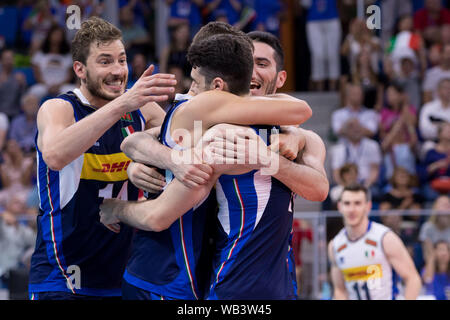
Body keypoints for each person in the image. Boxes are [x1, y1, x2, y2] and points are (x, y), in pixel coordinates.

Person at [99, 30, 315, 300]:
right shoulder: (212, 129)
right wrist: (119, 202)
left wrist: (292, 135)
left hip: (200, 275)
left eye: (194, 83)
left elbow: (301, 118)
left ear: (216, 87)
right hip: (166, 277)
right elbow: (154, 206)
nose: (188, 92)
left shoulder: (225, 117)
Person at [27, 17, 177, 300]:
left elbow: (185, 137)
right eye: (105, 62)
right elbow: (56, 155)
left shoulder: (140, 108)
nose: (118, 70)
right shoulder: (59, 108)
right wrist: (123, 103)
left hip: (122, 275)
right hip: (61, 277)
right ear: (80, 70)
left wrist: (145, 156)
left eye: (122, 60)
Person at [328, 184, 422, 300]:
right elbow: (340, 290)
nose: (352, 209)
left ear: (368, 206)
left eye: (357, 203)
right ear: (339, 207)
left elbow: (413, 278)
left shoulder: (385, 238)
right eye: (347, 203)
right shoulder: (335, 245)